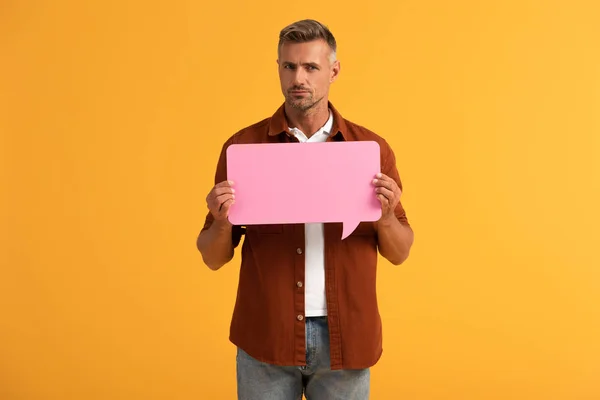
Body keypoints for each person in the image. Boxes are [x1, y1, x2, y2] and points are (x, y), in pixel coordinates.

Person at [197, 19, 414, 400]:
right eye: (289, 66)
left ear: (333, 71)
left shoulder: (371, 150)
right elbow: (214, 258)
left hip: (347, 338)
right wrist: (220, 220)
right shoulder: (244, 149)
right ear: (278, 68)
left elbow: (400, 252)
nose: (299, 78)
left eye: (311, 67)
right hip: (266, 334)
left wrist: (384, 217)